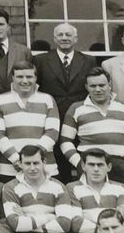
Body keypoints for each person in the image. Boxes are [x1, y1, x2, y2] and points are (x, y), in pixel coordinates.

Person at [33, 23, 97, 183]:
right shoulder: (41, 60)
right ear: (54, 38)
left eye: (68, 35)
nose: (64, 38)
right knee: (58, 159)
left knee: (81, 155)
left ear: (75, 38)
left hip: (80, 117)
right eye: (60, 35)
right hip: (53, 117)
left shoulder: (88, 60)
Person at [60, 67, 124, 184]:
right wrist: (79, 163)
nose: (98, 89)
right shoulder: (76, 109)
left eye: (102, 85)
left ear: (109, 85)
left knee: (123, 201)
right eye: (93, 86)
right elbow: (65, 142)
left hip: (123, 167)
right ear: (86, 87)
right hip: (91, 167)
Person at [0, 61, 60, 182]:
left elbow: (52, 132)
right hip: (9, 169)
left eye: (29, 76)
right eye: (20, 77)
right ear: (13, 78)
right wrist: (17, 159)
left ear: (35, 78)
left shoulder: (47, 99)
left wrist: (34, 159)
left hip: (45, 169)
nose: (24, 81)